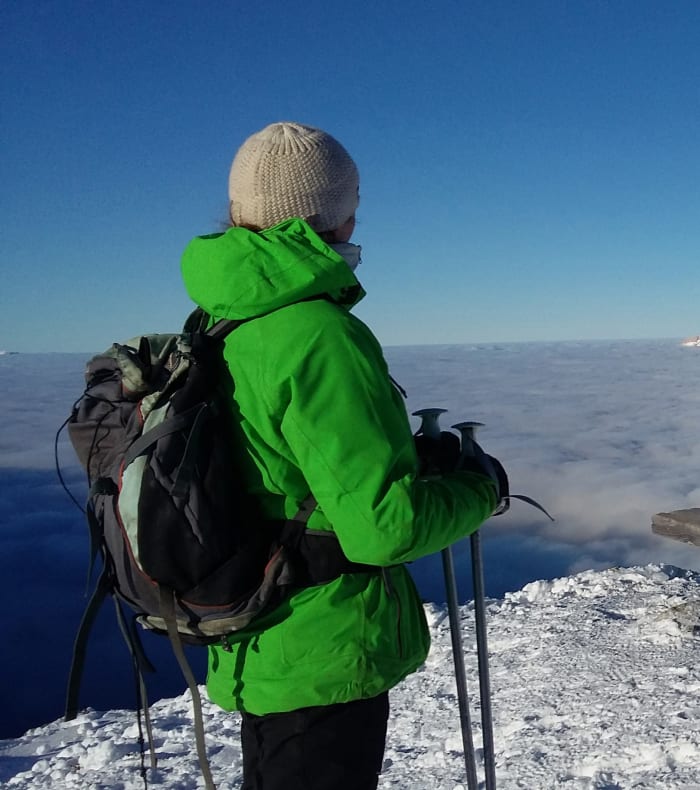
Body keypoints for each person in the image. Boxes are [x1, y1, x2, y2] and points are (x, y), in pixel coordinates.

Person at [180, 121, 505, 790]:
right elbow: (386, 529)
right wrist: (479, 486)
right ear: (337, 213)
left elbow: (283, 467)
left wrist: (401, 457)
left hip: (256, 633)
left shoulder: (224, 322)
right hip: (324, 645)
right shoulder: (319, 335)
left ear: (238, 211)